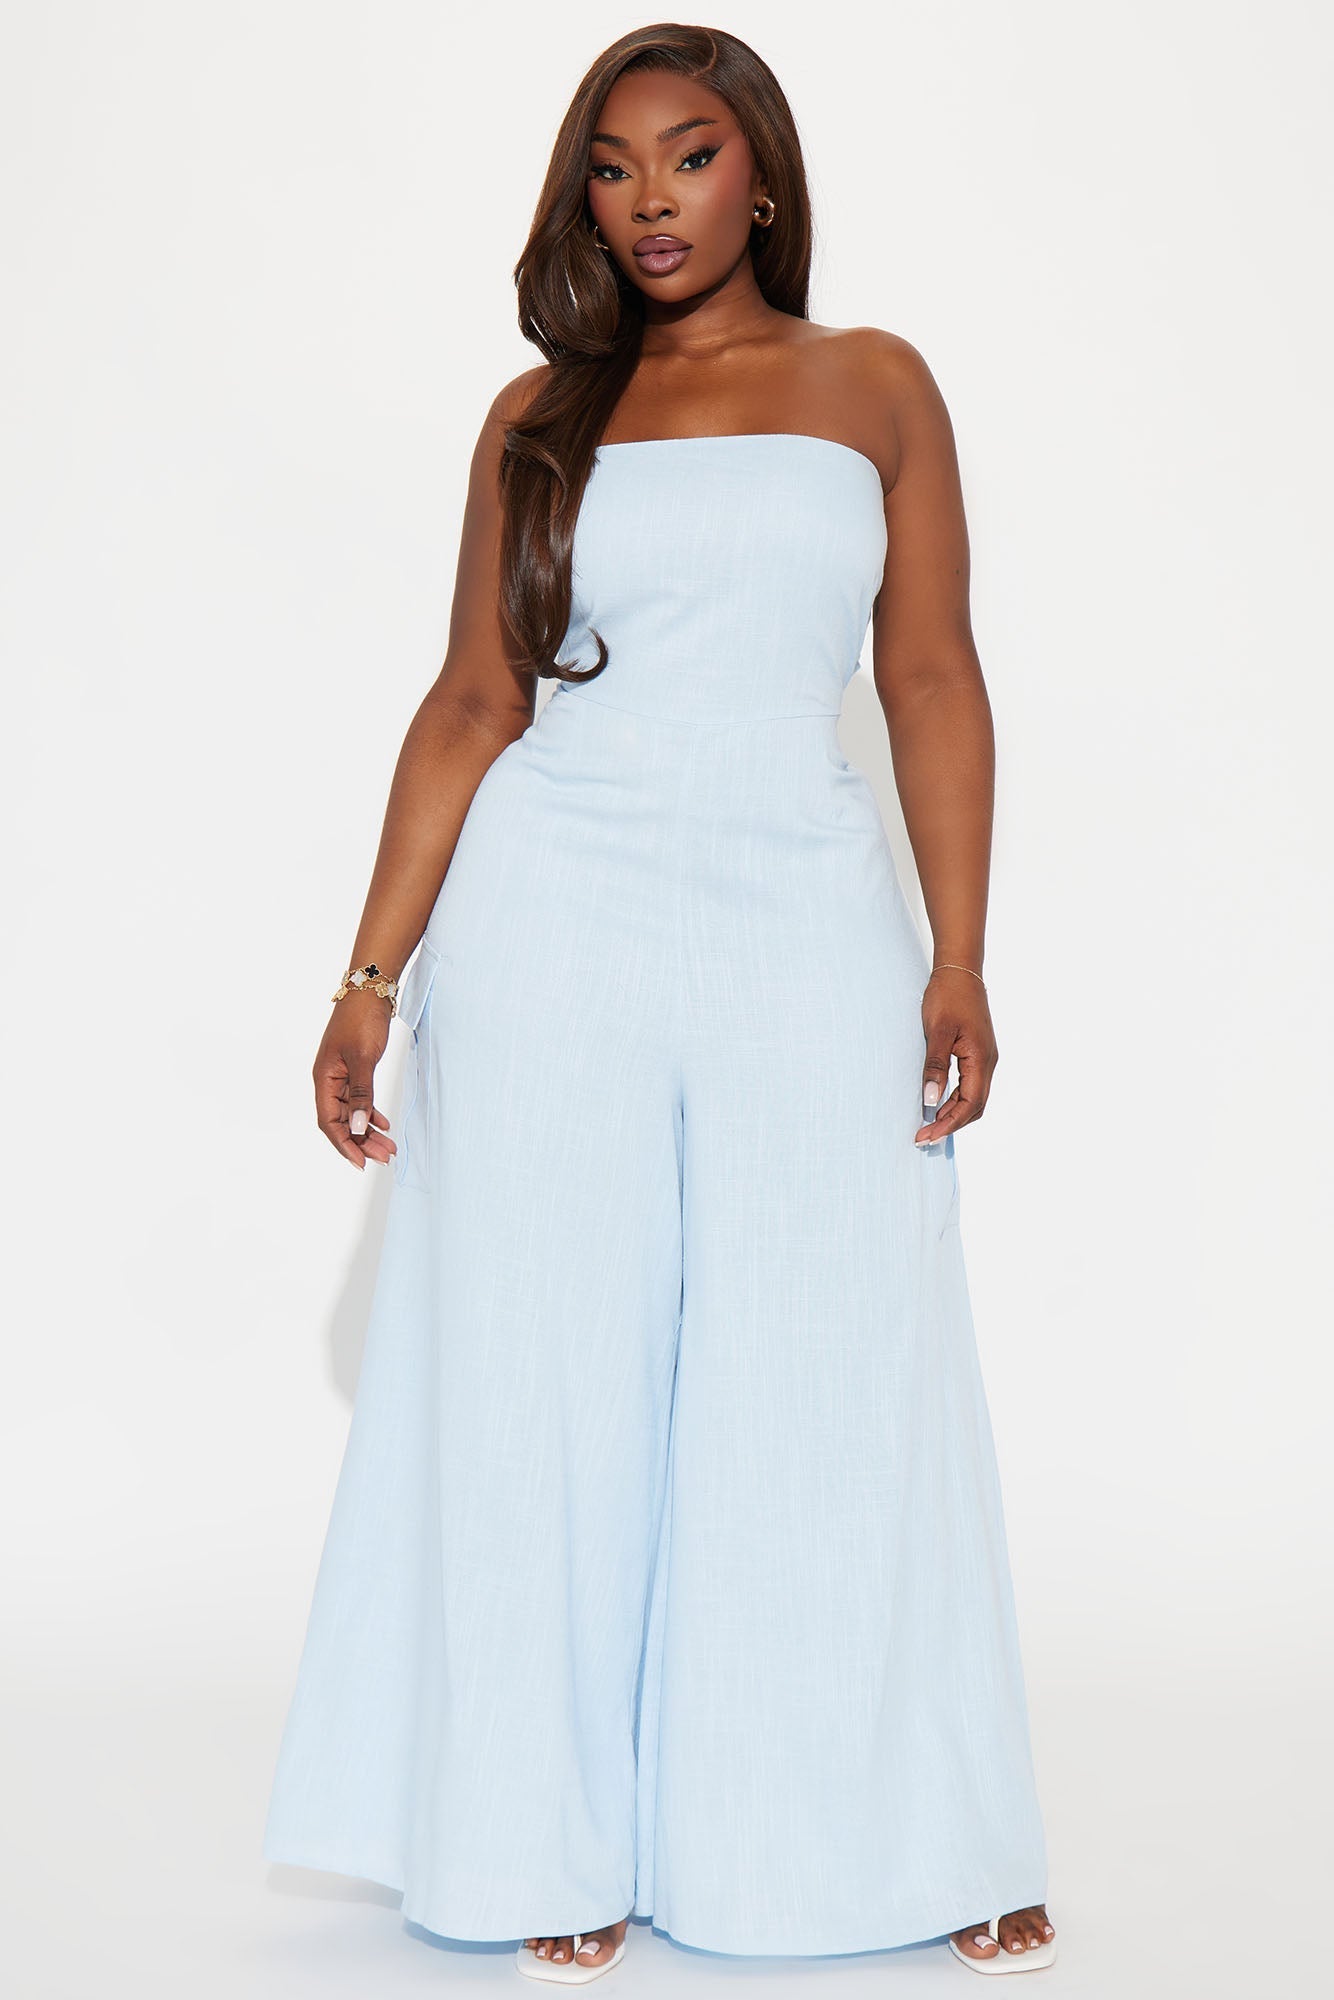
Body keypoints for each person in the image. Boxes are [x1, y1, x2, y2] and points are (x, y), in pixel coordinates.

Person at [262, 22, 1059, 1984]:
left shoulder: (874, 385)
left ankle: (900, 1837)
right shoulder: (541, 414)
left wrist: (957, 950)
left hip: (807, 913)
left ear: (759, 177)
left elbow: (930, 675)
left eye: (689, 158)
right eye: (612, 170)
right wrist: (368, 977)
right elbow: (474, 698)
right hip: (553, 919)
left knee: (839, 1358)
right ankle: (541, 1842)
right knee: (543, 1371)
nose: (649, 202)